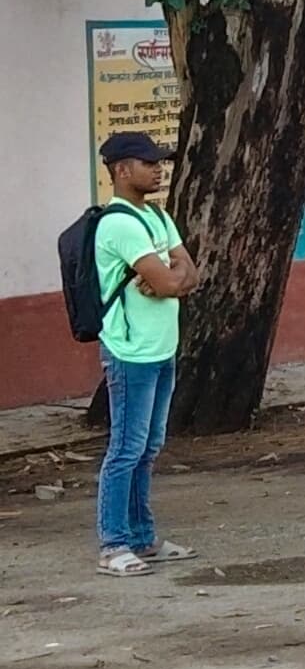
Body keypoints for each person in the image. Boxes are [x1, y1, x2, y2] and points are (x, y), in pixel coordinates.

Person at [90, 132, 200, 577]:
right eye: (148, 162)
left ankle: (141, 536)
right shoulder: (118, 223)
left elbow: (188, 272)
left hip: (162, 348)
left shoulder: (157, 216)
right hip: (130, 352)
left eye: (159, 162)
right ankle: (113, 543)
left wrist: (169, 277)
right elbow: (175, 282)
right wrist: (170, 277)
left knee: (149, 445)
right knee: (126, 447)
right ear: (121, 170)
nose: (158, 169)